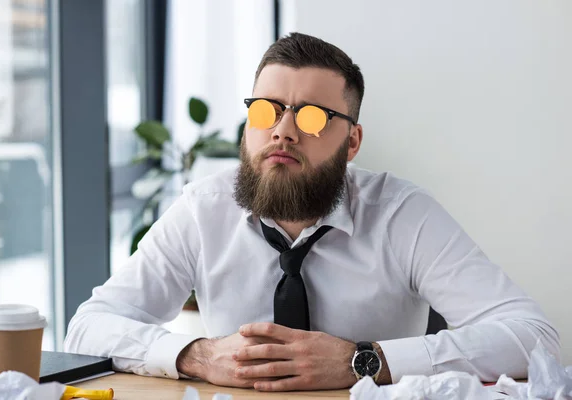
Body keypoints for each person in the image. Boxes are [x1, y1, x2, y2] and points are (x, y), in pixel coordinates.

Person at [64, 32, 559, 392]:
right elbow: (89, 326)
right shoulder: (202, 209)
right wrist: (198, 355)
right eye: (266, 110)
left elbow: (532, 337)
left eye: (312, 117)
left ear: (352, 142)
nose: (282, 131)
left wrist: (363, 361)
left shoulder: (404, 214)